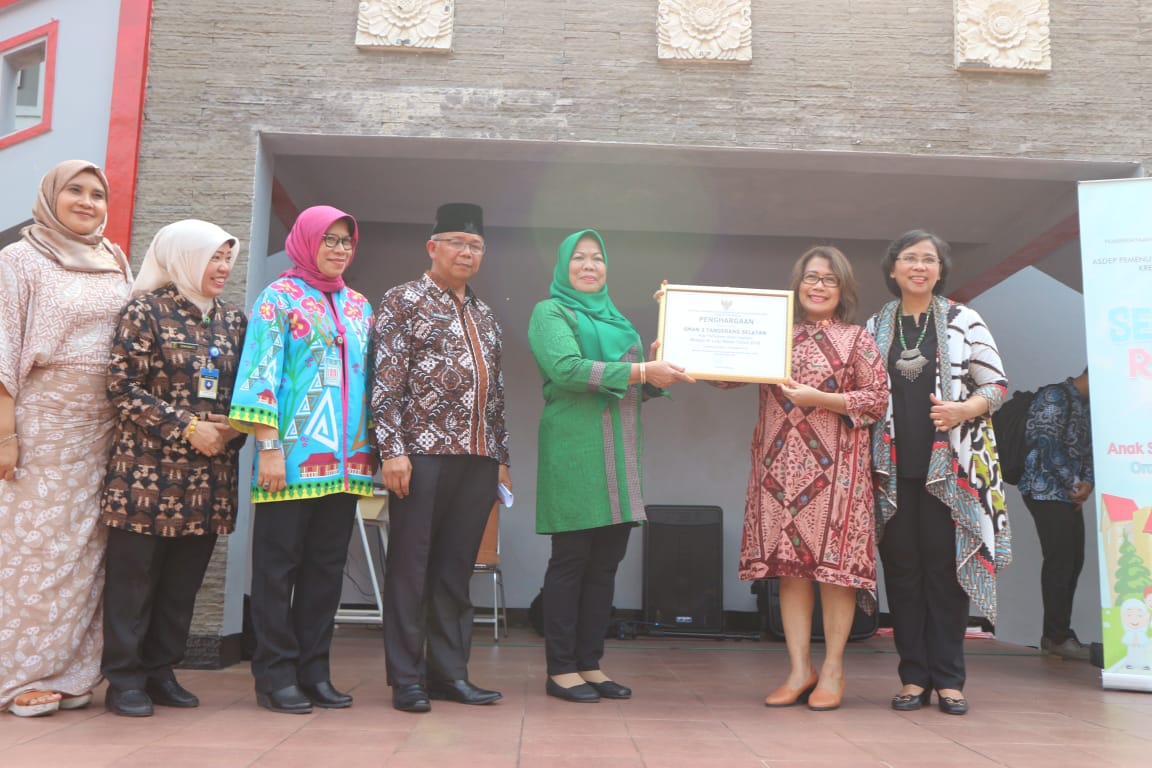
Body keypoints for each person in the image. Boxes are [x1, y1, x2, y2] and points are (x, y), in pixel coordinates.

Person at [529, 230, 694, 703]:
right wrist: (643, 372)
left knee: (604, 567)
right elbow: (567, 368)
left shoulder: (618, 321)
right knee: (571, 562)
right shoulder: (551, 312)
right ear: (563, 266)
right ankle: (561, 669)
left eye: (597, 258)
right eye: (579, 258)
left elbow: (631, 387)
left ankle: (590, 663)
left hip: (620, 457)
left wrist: (661, 373)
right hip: (575, 454)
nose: (589, 266)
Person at [722, 246, 888, 712]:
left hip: (839, 474)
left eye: (829, 279)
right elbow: (725, 374)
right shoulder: (773, 334)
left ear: (843, 289)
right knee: (790, 571)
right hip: (778, 469)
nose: (818, 286)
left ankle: (832, 670)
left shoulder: (857, 339)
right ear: (797, 284)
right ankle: (799, 670)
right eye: (811, 277)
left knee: (835, 573)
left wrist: (823, 399)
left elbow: (876, 399)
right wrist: (679, 339)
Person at [229, 206, 375, 714]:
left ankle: (315, 672)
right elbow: (259, 374)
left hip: (347, 465)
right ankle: (275, 676)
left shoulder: (359, 306)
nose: (338, 249)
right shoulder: (279, 298)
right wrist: (268, 448)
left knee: (325, 573)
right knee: (276, 572)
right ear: (307, 241)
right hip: (288, 462)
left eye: (346, 241)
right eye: (329, 239)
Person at [0, 160, 132, 718]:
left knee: (86, 555)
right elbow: (3, 348)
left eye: (97, 194)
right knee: (32, 550)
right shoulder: (19, 259)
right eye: (74, 190)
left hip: (104, 428)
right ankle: (18, 675)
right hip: (43, 424)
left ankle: (70, 670)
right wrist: (6, 436)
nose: (86, 202)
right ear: (50, 196)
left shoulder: (114, 258)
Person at [99, 220, 247, 716]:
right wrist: (186, 427)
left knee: (182, 584)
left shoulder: (234, 321)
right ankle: (124, 679)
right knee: (133, 582)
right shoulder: (146, 310)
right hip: (145, 474)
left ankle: (161, 671)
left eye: (227, 257)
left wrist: (236, 427)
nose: (223, 267)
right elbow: (121, 387)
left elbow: (247, 392)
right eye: (213, 257)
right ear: (185, 257)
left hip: (208, 479)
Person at [372, 203, 511, 713]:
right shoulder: (402, 300)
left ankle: (450, 674)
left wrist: (501, 459)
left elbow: (496, 395)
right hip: (421, 455)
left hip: (478, 457)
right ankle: (407, 679)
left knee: (455, 571)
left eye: (476, 246)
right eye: (457, 243)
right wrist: (392, 451)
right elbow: (386, 381)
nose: (466, 253)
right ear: (432, 247)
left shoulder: (485, 314)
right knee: (411, 567)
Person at [867, 229, 1011, 716]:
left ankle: (949, 680)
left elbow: (996, 386)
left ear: (940, 270)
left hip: (952, 471)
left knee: (946, 573)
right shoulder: (875, 325)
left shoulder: (964, 319)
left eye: (929, 259)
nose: (919, 266)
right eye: (910, 258)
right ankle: (913, 677)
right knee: (902, 573)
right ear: (893, 269)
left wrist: (962, 410)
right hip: (891, 473)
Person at [1019, 369, 1093, 660]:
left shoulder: (1085, 405)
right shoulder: (1053, 396)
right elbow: (1045, 443)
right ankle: (1055, 636)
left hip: (1068, 493)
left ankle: (1059, 633)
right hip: (1044, 490)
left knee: (1073, 561)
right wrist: (1074, 484)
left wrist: (1087, 483)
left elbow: (1088, 449)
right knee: (1060, 560)